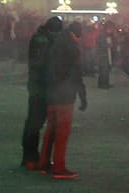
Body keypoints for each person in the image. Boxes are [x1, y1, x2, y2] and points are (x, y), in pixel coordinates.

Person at [38, 22, 86, 180]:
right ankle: (59, 167)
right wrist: (82, 96)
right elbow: (76, 74)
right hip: (64, 95)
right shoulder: (72, 48)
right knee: (62, 132)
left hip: (51, 93)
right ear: (77, 34)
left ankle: (44, 164)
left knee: (50, 130)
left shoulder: (55, 44)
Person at [21, 17, 61, 170]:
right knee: (35, 123)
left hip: (40, 86)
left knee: (35, 123)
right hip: (41, 87)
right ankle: (31, 157)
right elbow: (42, 64)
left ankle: (33, 157)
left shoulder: (41, 38)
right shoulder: (43, 41)